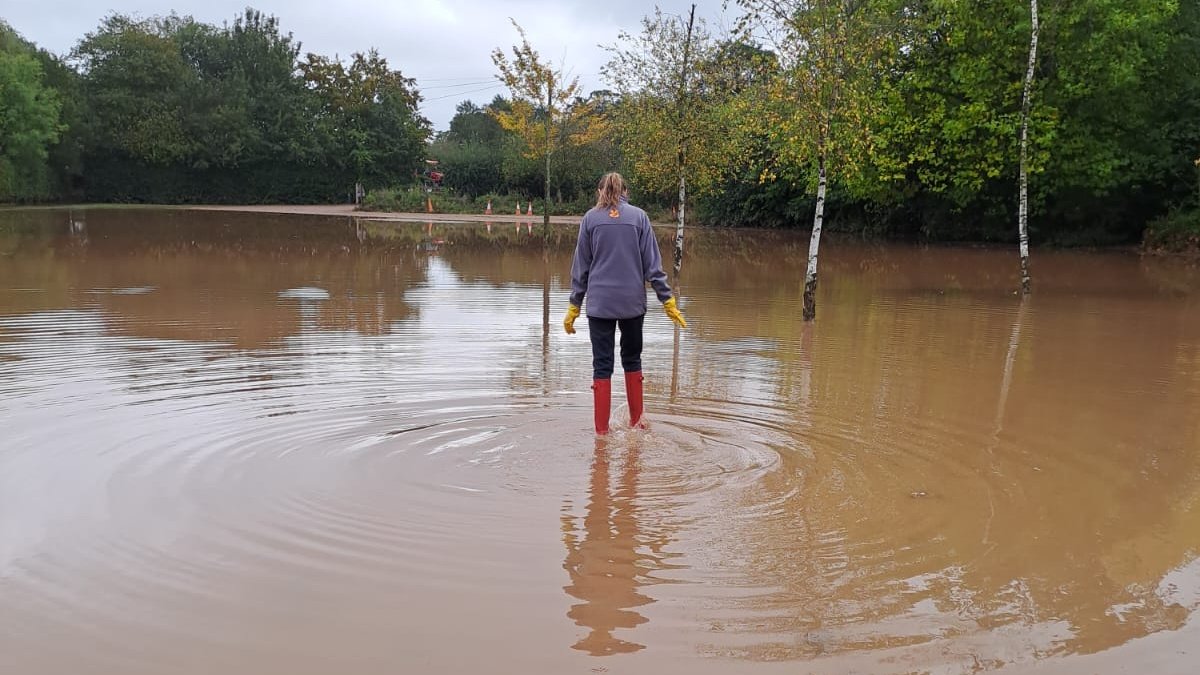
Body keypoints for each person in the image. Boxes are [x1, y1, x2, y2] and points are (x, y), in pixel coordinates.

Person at [563, 172, 687, 435]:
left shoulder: (590, 219)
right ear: (626, 193)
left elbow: (580, 267)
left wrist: (575, 304)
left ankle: (601, 434)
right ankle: (637, 425)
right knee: (632, 360)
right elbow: (653, 267)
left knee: (602, 365)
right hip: (632, 304)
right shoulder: (639, 217)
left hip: (599, 305)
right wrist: (668, 301)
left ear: (600, 192)